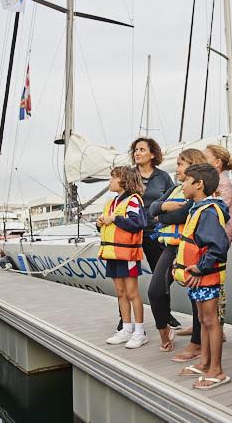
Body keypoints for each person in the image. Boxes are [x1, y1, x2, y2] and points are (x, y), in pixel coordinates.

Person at [174, 164, 230, 390]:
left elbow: (218, 246)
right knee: (202, 319)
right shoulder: (197, 209)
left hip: (206, 276)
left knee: (210, 320)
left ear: (199, 184)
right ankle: (204, 361)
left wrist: (200, 268)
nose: (182, 184)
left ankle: (217, 369)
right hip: (198, 276)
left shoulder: (207, 212)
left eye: (186, 181)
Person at [148, 149, 208, 353]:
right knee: (155, 290)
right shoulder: (174, 188)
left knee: (195, 296)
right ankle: (164, 328)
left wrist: (161, 214)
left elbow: (182, 214)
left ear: (192, 166)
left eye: (180, 164)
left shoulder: (200, 190)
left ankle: (197, 343)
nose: (177, 168)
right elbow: (152, 208)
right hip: (171, 248)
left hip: (192, 248)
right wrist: (165, 206)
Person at [128, 137, 180, 332]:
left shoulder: (163, 177)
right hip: (131, 231)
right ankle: (123, 319)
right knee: (127, 278)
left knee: (164, 275)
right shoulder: (129, 175)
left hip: (153, 232)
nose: (137, 153)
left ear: (152, 154)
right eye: (135, 149)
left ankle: (165, 313)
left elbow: (172, 198)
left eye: (142, 149)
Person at [97, 166, 148, 349]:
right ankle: (126, 328)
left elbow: (139, 223)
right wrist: (101, 222)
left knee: (132, 293)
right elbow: (109, 226)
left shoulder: (133, 200)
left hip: (128, 254)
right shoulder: (112, 202)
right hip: (113, 253)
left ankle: (140, 332)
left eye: (113, 177)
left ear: (124, 180)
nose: (109, 181)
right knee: (120, 292)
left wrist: (114, 219)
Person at [204, 144, 232, 334]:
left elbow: (220, 212)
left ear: (217, 163)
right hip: (212, 238)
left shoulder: (222, 183)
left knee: (216, 283)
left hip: (217, 240)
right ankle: (206, 323)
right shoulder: (214, 181)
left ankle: (218, 325)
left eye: (205, 157)